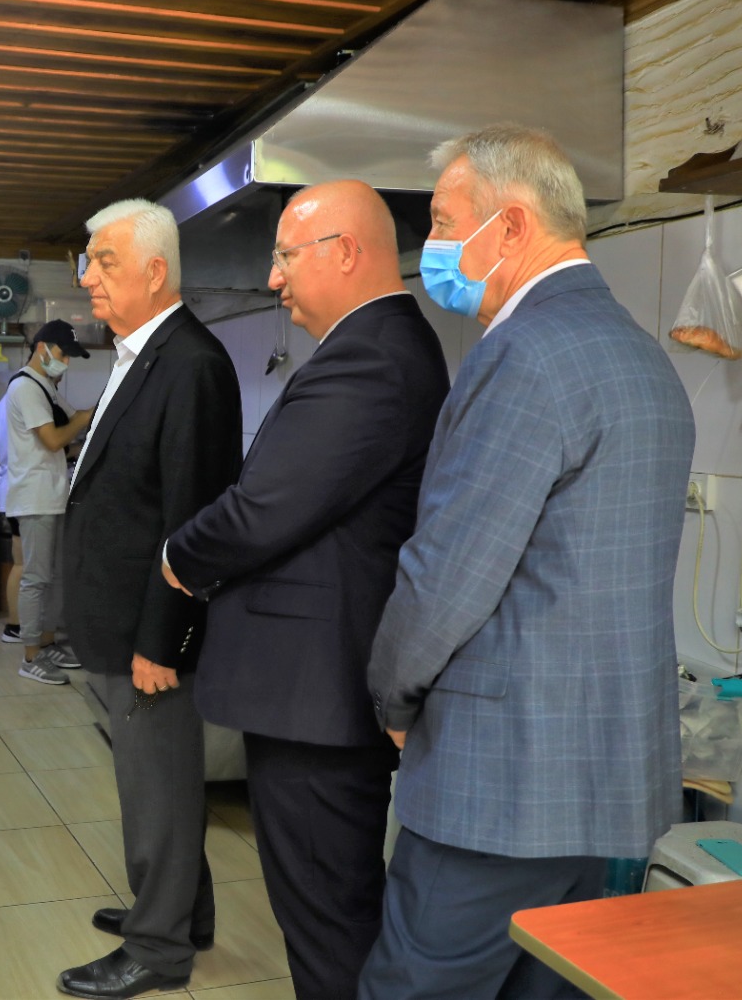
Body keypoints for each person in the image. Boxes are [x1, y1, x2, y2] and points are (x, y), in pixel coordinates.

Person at [360, 125, 695, 999]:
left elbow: (447, 574)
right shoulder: (645, 358)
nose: (432, 246)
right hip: (610, 783)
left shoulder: (521, 354)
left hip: (500, 785)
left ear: (510, 226)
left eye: (443, 222)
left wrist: (393, 696)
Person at [161, 180, 449, 998]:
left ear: (345, 252)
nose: (274, 277)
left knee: (328, 918)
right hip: (312, 691)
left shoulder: (373, 354)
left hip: (317, 696)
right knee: (325, 907)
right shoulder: (374, 345)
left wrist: (178, 556)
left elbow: (264, 510)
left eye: (286, 255)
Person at [57, 199, 242, 999]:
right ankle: (182, 912)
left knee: (157, 789)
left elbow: (190, 520)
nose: (88, 278)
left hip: (150, 630)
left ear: (155, 271)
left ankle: (159, 948)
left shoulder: (191, 363)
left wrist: (163, 641)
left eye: (105, 262)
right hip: (115, 619)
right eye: (89, 262)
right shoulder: (139, 354)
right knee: (153, 784)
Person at [0, 319, 94, 684]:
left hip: (52, 494)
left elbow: (69, 432)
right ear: (42, 348)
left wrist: (87, 423)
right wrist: (87, 417)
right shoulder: (25, 387)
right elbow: (53, 440)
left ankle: (48, 643)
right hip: (33, 497)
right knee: (35, 578)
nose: (65, 362)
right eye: (63, 354)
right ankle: (31, 655)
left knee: (54, 576)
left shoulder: (45, 387)